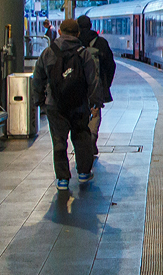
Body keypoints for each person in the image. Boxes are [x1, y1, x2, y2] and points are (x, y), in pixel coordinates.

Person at [31, 17, 102, 189]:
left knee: (59, 140)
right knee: (81, 137)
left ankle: (62, 179)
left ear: (60, 32)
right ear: (77, 33)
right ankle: (84, 173)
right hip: (79, 103)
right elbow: (93, 79)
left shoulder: (48, 52)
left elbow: (38, 77)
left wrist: (39, 99)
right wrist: (94, 101)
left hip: (55, 104)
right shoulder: (84, 53)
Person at [76, 13, 115, 148]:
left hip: (78, 88)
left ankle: (82, 143)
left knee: (79, 116)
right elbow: (111, 65)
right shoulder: (101, 43)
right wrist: (105, 84)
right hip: (96, 87)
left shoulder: (74, 43)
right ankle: (92, 138)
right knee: (95, 112)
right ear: (91, 26)